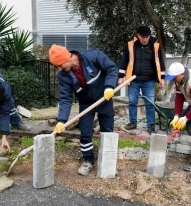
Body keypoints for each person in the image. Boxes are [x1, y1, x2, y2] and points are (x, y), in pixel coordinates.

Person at [49, 44, 117, 176]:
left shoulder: (93, 56)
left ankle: (109, 162)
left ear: (66, 59)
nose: (58, 69)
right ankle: (88, 161)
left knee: (107, 132)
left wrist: (109, 86)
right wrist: (61, 120)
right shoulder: (63, 76)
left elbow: (111, 68)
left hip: (104, 98)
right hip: (86, 103)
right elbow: (65, 99)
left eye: (59, 65)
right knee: (85, 132)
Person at [118, 26, 166, 134]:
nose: (145, 39)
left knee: (149, 103)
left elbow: (160, 63)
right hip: (133, 79)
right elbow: (124, 61)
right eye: (143, 37)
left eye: (147, 37)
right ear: (138, 35)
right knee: (132, 102)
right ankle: (133, 122)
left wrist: (162, 78)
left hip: (148, 80)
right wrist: (121, 76)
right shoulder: (131, 45)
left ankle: (151, 125)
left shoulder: (155, 46)